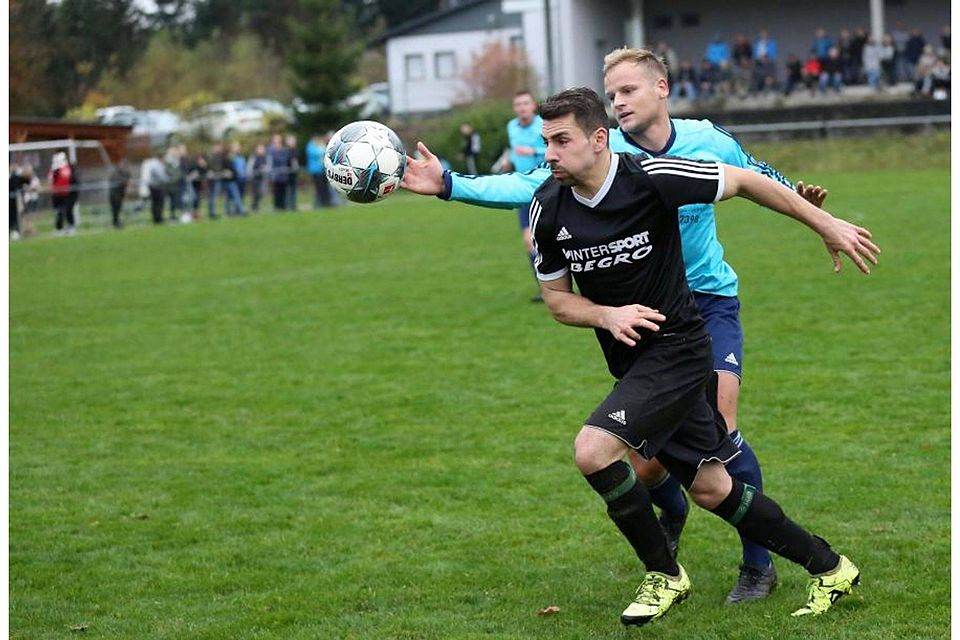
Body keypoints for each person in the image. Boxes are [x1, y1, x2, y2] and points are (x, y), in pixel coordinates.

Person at [402, 46, 845, 603]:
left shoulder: (702, 142)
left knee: (718, 429)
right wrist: (449, 183)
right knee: (646, 458)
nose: (618, 103)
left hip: (704, 301)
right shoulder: (598, 160)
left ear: (661, 87)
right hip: (642, 316)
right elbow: (526, 186)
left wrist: (816, 212)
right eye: (610, 95)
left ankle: (757, 565)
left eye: (628, 91)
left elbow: (757, 176)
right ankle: (691, 518)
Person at [521, 86, 872, 625]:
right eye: (546, 141)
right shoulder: (549, 206)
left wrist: (826, 224)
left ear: (597, 139)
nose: (549, 153)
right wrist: (607, 315)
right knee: (713, 488)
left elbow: (747, 181)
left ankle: (665, 575)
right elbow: (557, 300)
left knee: (593, 451)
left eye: (561, 140)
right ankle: (831, 569)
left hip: (680, 350)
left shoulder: (651, 177)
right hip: (633, 361)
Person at [505, 90, 547, 301]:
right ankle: (544, 288)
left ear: (533, 105)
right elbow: (514, 150)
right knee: (529, 240)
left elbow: (554, 151)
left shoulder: (543, 125)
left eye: (525, 103)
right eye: (518, 104)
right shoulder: (511, 126)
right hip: (523, 190)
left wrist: (533, 152)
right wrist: (509, 161)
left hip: (546, 187)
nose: (522, 107)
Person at [49, 151, 77, 235]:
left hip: (68, 195)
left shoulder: (67, 169)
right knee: (59, 212)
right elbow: (52, 181)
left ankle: (71, 227)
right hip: (58, 195)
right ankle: (59, 228)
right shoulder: (54, 171)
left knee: (68, 211)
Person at [306, 134, 332, 208]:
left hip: (322, 170)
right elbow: (317, 153)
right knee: (319, 188)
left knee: (325, 187)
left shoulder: (320, 145)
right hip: (315, 171)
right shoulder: (311, 146)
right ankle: (320, 203)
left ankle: (327, 202)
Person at [267, 134, 290, 211]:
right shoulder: (270, 150)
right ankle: (277, 206)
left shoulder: (283, 149)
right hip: (275, 174)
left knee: (283, 190)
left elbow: (285, 159)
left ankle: (283, 205)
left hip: (283, 173)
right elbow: (270, 161)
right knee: (277, 191)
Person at [108, 159, 130, 229]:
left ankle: (117, 222)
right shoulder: (115, 173)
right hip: (114, 194)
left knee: (118, 209)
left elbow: (128, 180)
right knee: (115, 209)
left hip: (120, 194)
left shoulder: (126, 173)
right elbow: (116, 181)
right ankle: (115, 222)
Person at [248, 143, 268, 212]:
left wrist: (264, 169)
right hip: (255, 178)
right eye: (260, 149)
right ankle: (254, 206)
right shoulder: (254, 157)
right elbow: (250, 167)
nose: (262, 150)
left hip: (262, 177)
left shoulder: (264, 157)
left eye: (263, 149)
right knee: (255, 193)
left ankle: (256, 205)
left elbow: (266, 166)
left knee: (260, 193)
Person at [285, 134, 300, 211]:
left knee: (293, 189)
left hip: (294, 173)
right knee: (288, 190)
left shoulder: (295, 150)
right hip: (287, 173)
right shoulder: (286, 151)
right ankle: (288, 205)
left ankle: (293, 205)